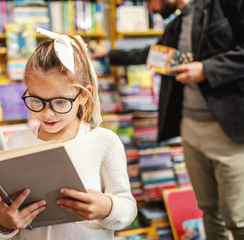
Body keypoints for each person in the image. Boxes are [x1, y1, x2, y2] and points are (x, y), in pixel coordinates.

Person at [90, 0, 244, 239]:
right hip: (191, 132)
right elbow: (151, 55)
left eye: (149, 1)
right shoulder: (177, 25)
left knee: (237, 217)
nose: (150, 9)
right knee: (209, 210)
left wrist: (206, 69)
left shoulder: (225, 6)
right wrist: (108, 53)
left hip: (230, 132)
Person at [0, 27, 137, 240]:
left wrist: (106, 207)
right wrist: (4, 222)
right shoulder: (16, 143)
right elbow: (5, 214)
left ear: (84, 95)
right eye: (36, 101)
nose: (47, 114)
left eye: (60, 102)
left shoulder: (104, 142)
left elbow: (128, 209)